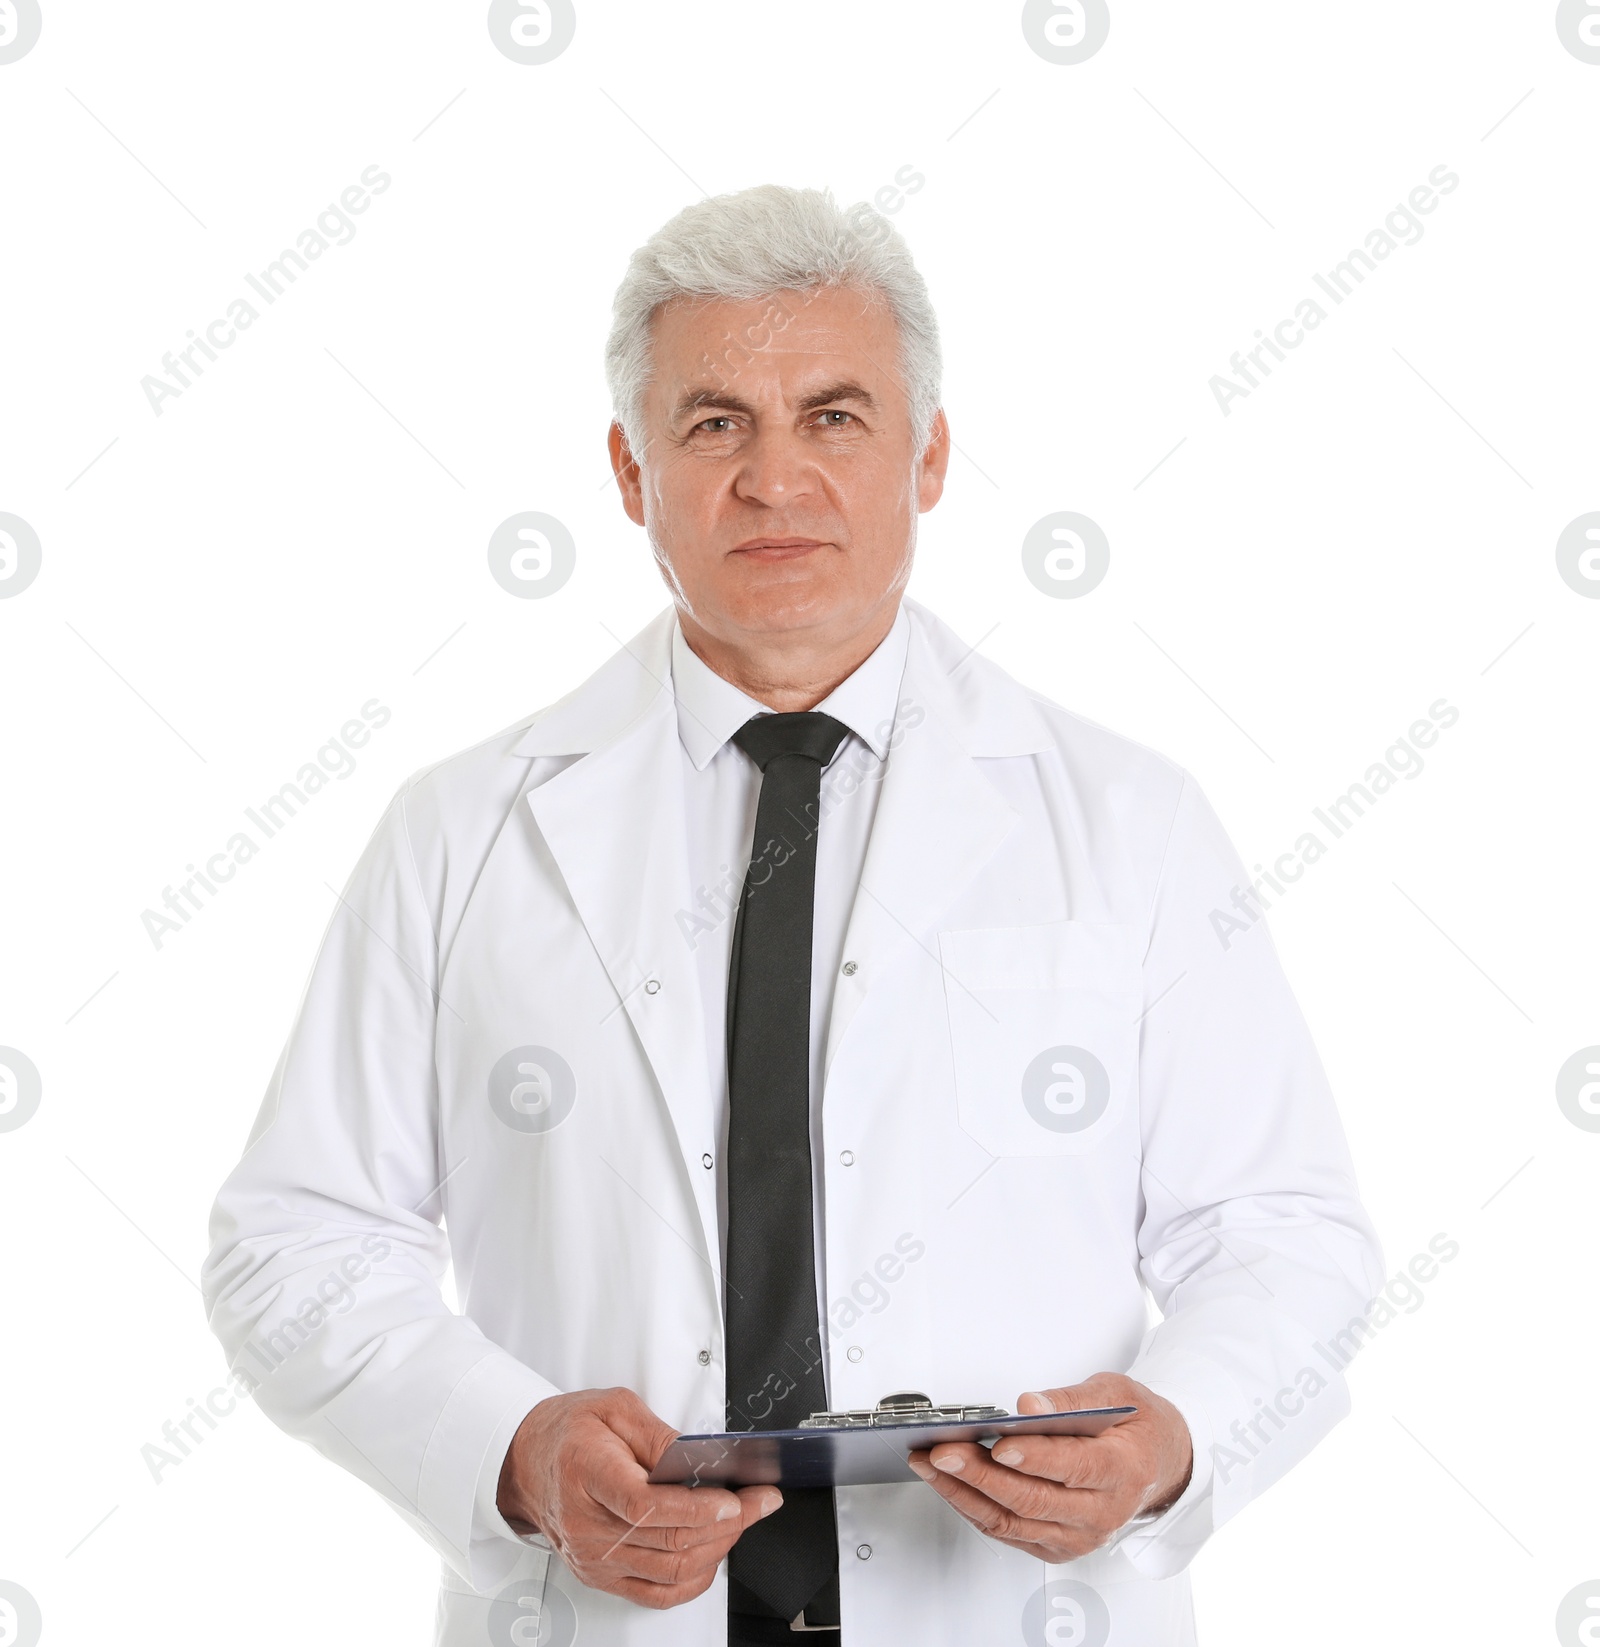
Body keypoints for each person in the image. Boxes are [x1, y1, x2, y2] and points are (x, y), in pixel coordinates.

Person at [202, 185, 1383, 1646]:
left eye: (834, 417)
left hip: (1012, 1610)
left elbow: (1283, 1233)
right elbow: (297, 1242)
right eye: (714, 425)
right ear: (631, 472)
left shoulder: (1131, 822)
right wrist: (513, 1453)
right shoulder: (461, 833)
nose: (774, 480)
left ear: (929, 455)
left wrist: (1172, 1440)